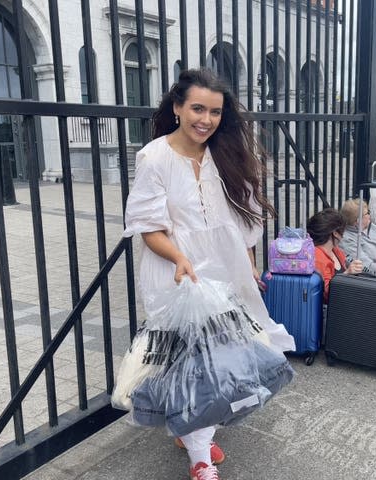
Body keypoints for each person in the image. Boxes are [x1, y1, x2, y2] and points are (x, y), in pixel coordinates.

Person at [122, 68, 295, 479]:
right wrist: (179, 259)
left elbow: (245, 216)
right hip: (177, 272)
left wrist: (248, 262)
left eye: (215, 112)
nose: (206, 120)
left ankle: (194, 430)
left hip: (224, 267)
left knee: (225, 359)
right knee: (193, 363)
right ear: (178, 107)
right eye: (198, 108)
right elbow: (149, 226)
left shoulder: (226, 153)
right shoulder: (154, 157)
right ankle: (200, 455)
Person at [306, 208, 363, 302]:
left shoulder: (336, 251)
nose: (344, 234)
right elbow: (327, 293)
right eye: (343, 231)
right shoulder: (318, 258)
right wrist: (347, 274)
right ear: (335, 233)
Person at [339, 198, 376, 277]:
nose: (370, 215)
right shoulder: (347, 241)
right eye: (367, 213)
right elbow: (368, 268)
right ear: (358, 220)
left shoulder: (369, 226)